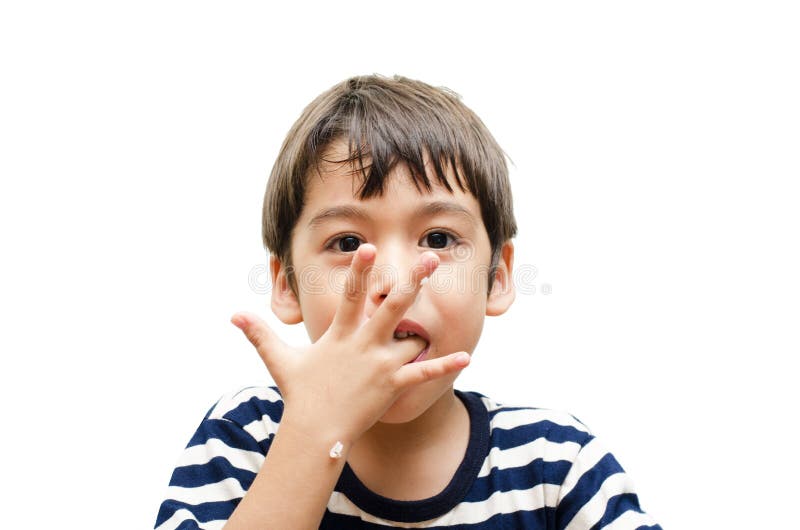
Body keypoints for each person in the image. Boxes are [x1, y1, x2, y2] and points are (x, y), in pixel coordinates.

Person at [154, 74, 662, 529]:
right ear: (287, 282)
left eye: (438, 239)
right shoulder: (245, 438)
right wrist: (314, 432)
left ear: (499, 276)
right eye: (348, 244)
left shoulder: (557, 464)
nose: (395, 282)